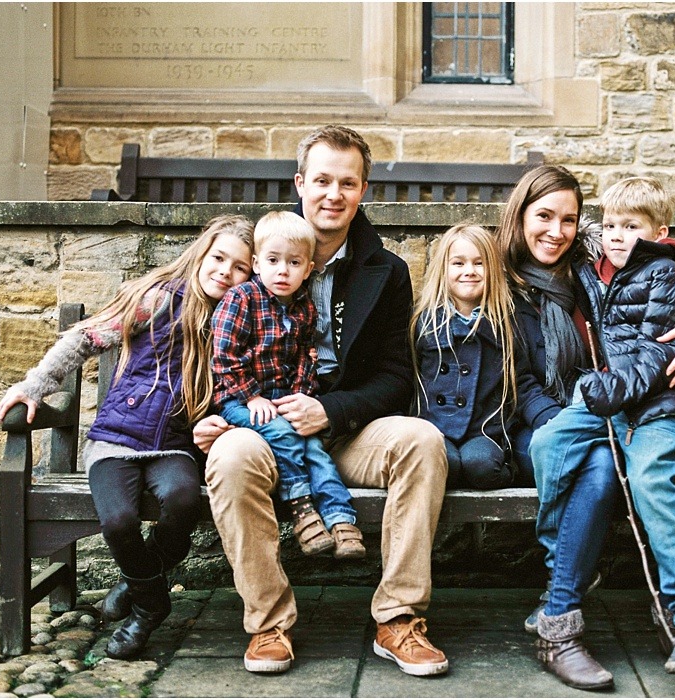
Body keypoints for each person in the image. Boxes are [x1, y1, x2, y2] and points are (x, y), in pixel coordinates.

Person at [192, 125, 449, 677]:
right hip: (265, 425)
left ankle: (398, 618)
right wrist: (205, 419)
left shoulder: (387, 272)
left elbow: (396, 376)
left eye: (348, 182)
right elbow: (193, 342)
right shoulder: (258, 258)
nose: (334, 194)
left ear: (362, 190)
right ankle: (269, 624)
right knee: (231, 457)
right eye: (323, 180)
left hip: (347, 430)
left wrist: (332, 410)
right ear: (300, 182)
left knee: (422, 440)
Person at [496, 165, 675, 690]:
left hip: (624, 399)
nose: (557, 231)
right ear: (519, 216)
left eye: (569, 220)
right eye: (544, 217)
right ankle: (566, 597)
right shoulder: (501, 278)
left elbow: (674, 288)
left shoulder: (594, 261)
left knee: (667, 464)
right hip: (548, 413)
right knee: (592, 461)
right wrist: (575, 406)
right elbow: (519, 378)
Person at [0, 215, 255, 660]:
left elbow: (241, 387)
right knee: (117, 522)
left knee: (183, 501)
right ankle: (152, 604)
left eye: (240, 268)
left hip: (176, 445)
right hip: (116, 440)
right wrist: (32, 387)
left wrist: (223, 424)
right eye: (219, 258)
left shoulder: (239, 321)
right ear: (200, 253)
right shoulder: (155, 299)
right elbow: (84, 339)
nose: (225, 272)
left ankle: (136, 581)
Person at [568, 177, 675, 675]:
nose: (617, 235)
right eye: (611, 224)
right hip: (625, 411)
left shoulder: (667, 274)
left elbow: (651, 356)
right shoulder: (597, 274)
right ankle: (566, 584)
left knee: (654, 478)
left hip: (667, 407)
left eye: (631, 226)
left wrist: (601, 390)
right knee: (556, 444)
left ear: (661, 232)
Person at [211, 211, 365, 559]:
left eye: (294, 263)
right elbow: (223, 358)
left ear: (308, 269)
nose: (283, 270)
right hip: (239, 399)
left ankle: (341, 520)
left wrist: (299, 394)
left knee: (316, 452)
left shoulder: (304, 308)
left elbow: (305, 358)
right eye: (273, 260)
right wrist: (252, 397)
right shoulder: (241, 299)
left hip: (283, 399)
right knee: (284, 435)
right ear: (255, 263)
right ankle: (302, 512)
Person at [410, 222, 528, 490]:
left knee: (482, 466)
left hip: (483, 431)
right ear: (444, 269)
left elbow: (519, 379)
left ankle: (509, 468)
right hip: (436, 428)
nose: (469, 272)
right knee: (443, 464)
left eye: (479, 263)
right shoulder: (425, 322)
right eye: (459, 263)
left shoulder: (505, 323)